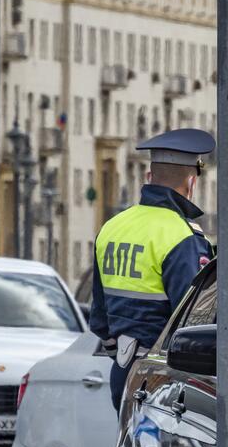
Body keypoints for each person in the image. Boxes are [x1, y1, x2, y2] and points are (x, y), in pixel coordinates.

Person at [89, 128, 215, 410]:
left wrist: (123, 352)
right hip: (164, 380)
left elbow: (98, 319)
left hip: (122, 373)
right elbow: (195, 323)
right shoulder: (182, 237)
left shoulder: (112, 227)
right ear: (191, 182)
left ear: (149, 178)